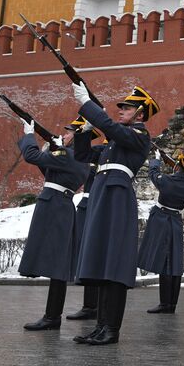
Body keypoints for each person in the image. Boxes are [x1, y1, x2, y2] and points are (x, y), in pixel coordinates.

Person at [71, 84, 159, 345]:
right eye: (121, 107)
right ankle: (100, 327)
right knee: (101, 260)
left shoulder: (140, 136)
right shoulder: (114, 142)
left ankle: (111, 329)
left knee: (114, 264)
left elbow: (111, 128)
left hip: (117, 196)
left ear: (140, 115)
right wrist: (84, 132)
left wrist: (88, 105)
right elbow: (83, 154)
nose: (121, 111)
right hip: (101, 195)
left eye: (128, 108)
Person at [18, 120, 88, 330]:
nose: (63, 135)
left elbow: (31, 156)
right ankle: (52, 316)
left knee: (58, 267)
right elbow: (48, 170)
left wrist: (29, 135)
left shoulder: (69, 155)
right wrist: (51, 148)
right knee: (58, 266)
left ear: (77, 137)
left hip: (54, 207)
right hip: (58, 205)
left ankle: (52, 317)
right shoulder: (76, 157)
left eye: (68, 134)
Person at [138, 148, 184, 314]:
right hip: (176, 221)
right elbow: (176, 175)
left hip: (162, 220)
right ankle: (172, 304)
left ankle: (165, 303)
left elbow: (153, 173)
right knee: (175, 263)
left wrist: (157, 159)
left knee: (165, 263)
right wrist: (169, 160)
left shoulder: (167, 181)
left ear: (178, 165)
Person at [66, 117, 104, 321]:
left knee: (92, 253)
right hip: (86, 206)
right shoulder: (83, 155)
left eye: (74, 131)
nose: (68, 134)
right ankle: (90, 304)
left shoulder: (96, 155)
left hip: (93, 205)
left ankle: (93, 305)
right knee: (85, 253)